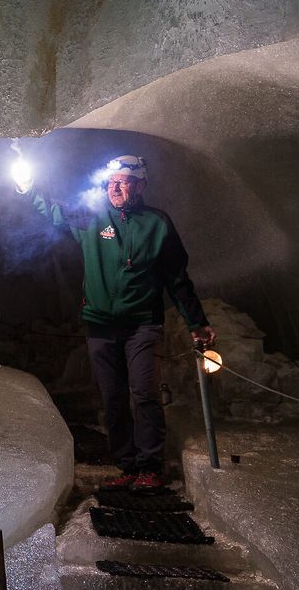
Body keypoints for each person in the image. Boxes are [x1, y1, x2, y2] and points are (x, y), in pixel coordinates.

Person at [22, 155, 213, 493]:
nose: (115, 186)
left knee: (143, 394)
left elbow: (177, 279)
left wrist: (196, 322)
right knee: (112, 397)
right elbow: (53, 212)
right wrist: (28, 187)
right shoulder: (92, 218)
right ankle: (127, 466)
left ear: (140, 185)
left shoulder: (158, 224)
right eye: (111, 181)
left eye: (123, 180)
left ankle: (150, 468)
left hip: (142, 324)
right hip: (100, 325)